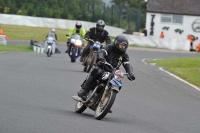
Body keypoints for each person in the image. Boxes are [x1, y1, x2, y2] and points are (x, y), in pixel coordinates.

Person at [76, 35, 136, 104]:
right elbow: (102, 52)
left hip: (113, 71)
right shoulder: (109, 47)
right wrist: (102, 58)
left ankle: (107, 100)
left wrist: (130, 72)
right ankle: (84, 90)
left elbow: (127, 65)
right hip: (103, 66)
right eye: (121, 45)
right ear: (116, 44)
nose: (123, 47)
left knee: (118, 84)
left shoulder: (124, 55)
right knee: (96, 71)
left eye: (124, 46)